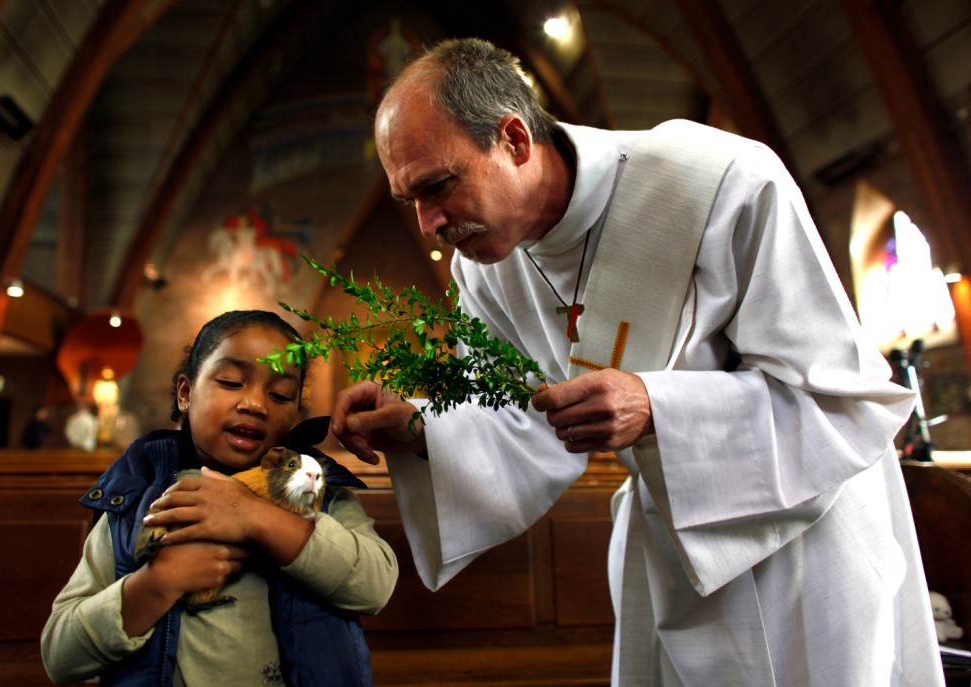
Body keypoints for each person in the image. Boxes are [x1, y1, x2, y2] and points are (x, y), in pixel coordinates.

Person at [330, 38, 943, 686]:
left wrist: (657, 406)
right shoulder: (488, 272)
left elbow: (839, 398)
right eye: (411, 202)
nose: (428, 225)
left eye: (437, 187)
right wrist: (424, 431)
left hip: (804, 549)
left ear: (513, 138)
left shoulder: (719, 181)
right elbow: (525, 421)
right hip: (674, 548)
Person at [42, 310, 397, 686]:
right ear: (185, 393)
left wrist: (256, 516)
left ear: (294, 414)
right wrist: (158, 583)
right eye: (230, 382)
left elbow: (375, 587)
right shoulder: (135, 499)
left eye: (280, 395)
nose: (255, 404)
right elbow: (60, 656)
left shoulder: (316, 489)